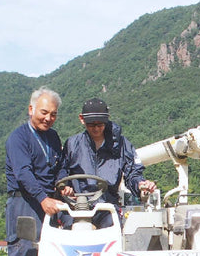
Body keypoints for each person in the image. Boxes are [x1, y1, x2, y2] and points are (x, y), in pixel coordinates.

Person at [5, 87, 68, 256]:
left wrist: (63, 185)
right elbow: (23, 174)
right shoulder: (18, 138)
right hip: (25, 204)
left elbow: (60, 166)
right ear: (31, 109)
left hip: (50, 202)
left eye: (53, 114)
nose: (48, 118)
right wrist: (43, 199)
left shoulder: (53, 137)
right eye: (44, 112)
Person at [60, 98, 156, 228]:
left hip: (107, 206)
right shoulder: (72, 144)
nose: (96, 129)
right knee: (68, 229)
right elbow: (62, 171)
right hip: (77, 206)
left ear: (107, 120)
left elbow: (133, 172)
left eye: (100, 124)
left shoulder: (121, 145)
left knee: (112, 227)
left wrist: (140, 184)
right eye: (91, 125)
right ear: (82, 119)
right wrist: (65, 187)